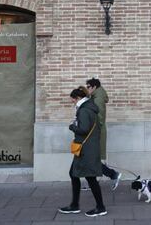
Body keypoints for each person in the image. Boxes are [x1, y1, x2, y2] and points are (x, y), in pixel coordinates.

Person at [58, 87, 107, 217]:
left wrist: (72, 126)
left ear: (78, 98)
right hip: (87, 148)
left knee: (90, 178)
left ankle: (100, 207)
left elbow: (84, 129)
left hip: (86, 149)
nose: (73, 102)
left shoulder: (84, 110)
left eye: (73, 100)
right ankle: (74, 205)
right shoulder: (89, 108)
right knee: (74, 174)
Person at [86, 78, 121, 190]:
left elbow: (99, 118)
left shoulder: (98, 99)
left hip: (97, 131)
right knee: (92, 159)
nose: (87, 89)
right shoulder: (96, 96)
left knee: (92, 159)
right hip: (96, 131)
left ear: (94, 87)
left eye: (88, 87)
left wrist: (92, 131)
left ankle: (112, 175)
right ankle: (99, 180)